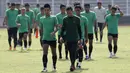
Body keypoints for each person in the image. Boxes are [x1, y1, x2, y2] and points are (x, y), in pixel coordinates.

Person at [60, 7, 82, 71]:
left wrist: (80, 38)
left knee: (74, 51)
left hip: (75, 38)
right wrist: (61, 37)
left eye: (70, 12)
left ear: (72, 11)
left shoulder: (77, 19)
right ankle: (72, 64)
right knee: (70, 52)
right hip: (68, 38)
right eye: (67, 13)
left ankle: (72, 65)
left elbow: (79, 29)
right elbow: (63, 29)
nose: (69, 14)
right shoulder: (65, 19)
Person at [39, 4, 59, 72]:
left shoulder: (54, 18)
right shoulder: (41, 18)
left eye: (48, 10)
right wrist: (41, 36)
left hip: (52, 39)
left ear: (50, 10)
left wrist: (54, 32)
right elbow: (41, 29)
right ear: (43, 11)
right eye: (45, 10)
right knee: (45, 53)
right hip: (45, 38)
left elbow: (57, 27)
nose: (46, 11)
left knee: (54, 53)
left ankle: (54, 66)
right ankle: (45, 68)